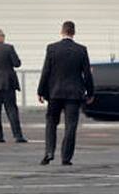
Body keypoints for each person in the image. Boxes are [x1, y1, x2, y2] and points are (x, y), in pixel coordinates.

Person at [37, 21, 94, 166]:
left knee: (51, 122)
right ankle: (66, 157)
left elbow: (46, 71)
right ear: (74, 32)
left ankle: (49, 152)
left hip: (55, 93)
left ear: (61, 31)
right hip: (74, 94)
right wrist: (90, 93)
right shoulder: (81, 50)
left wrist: (40, 91)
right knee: (71, 125)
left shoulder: (52, 48)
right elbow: (87, 74)